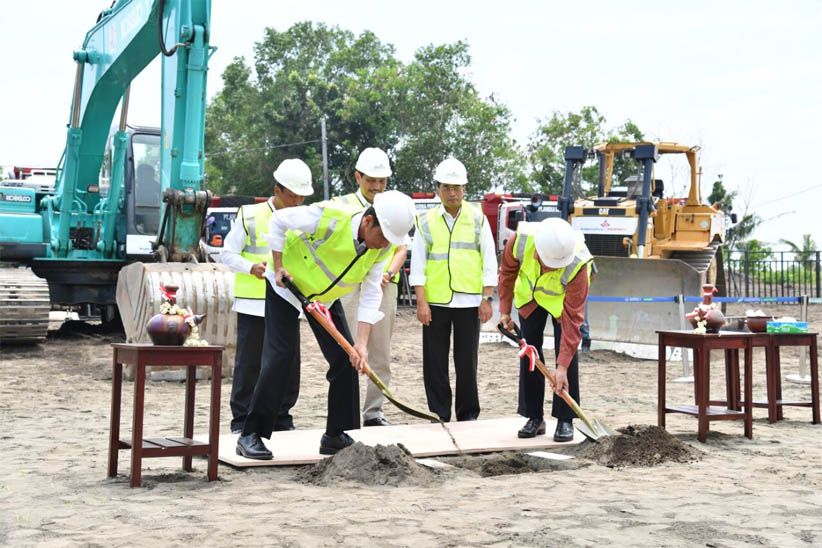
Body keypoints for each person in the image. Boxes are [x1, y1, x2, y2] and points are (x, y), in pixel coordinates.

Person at [236, 190, 416, 460]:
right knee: (280, 357)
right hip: (289, 285)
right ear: (368, 222)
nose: (384, 246)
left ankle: (335, 434)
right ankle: (252, 434)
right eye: (383, 237)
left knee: (346, 359)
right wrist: (278, 264)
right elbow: (278, 222)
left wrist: (361, 344)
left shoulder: (383, 248)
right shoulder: (330, 217)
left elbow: (370, 294)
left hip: (325, 297)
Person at [220, 159, 313, 434]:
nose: (297, 201)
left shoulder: (304, 219)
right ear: (277, 189)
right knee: (249, 364)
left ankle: (282, 417)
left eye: (301, 196)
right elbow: (226, 253)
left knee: (287, 363)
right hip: (253, 302)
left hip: (287, 302)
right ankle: (241, 419)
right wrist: (251, 268)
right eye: (292, 195)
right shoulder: (250, 215)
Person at [409, 158, 498, 422]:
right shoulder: (425, 221)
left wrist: (487, 298)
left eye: (457, 187)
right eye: (447, 187)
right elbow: (418, 265)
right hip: (436, 303)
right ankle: (439, 412)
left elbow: (489, 261)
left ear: (464, 189)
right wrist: (421, 303)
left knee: (467, 362)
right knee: (434, 362)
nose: (452, 193)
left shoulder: (478, 219)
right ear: (437, 189)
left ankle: (468, 413)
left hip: (469, 302)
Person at [497, 217, 593, 442]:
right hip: (529, 298)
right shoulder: (519, 241)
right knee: (529, 352)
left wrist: (561, 368)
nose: (552, 267)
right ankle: (534, 417)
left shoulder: (578, 264)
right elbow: (507, 273)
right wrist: (504, 311)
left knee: (567, 357)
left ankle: (565, 419)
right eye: (548, 261)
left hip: (561, 305)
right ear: (538, 250)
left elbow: (573, 324)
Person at [337, 148, 408, 427]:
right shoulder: (343, 206)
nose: (377, 186)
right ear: (358, 176)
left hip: (382, 285)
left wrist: (388, 274)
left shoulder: (393, 206)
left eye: (382, 180)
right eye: (371, 179)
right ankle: (345, 412)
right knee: (345, 350)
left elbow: (402, 247)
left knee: (378, 350)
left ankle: (374, 411)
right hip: (345, 287)